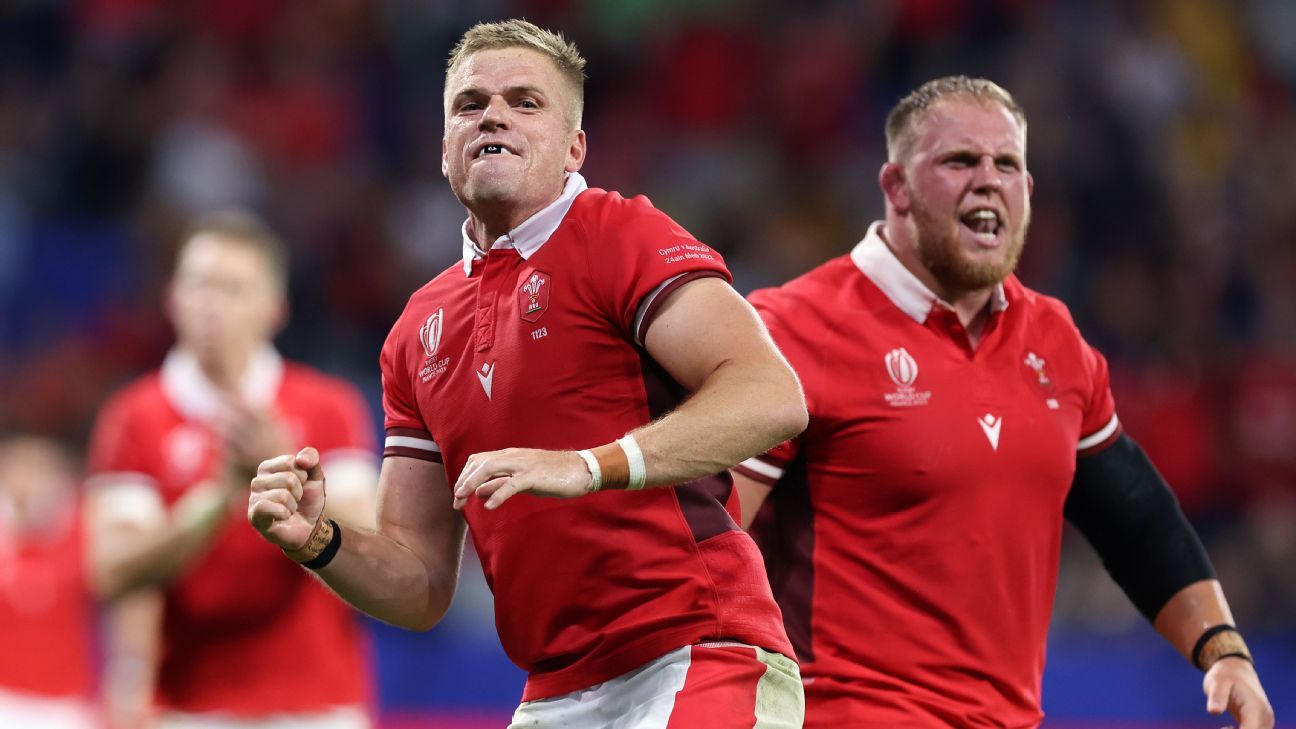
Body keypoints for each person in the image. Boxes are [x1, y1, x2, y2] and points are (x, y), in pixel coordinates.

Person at [247, 19, 807, 729]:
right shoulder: (417, 332)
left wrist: (592, 465)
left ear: (574, 148)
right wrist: (320, 540)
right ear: (444, 150)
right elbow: (418, 580)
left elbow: (771, 395)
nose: (493, 116)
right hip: (553, 689)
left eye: (525, 102)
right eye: (470, 104)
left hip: (700, 649)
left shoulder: (619, 233)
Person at [732, 76, 1275, 729]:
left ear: (1027, 193)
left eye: (1008, 164)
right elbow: (703, 537)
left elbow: (1135, 516)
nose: (989, 179)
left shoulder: (1054, 340)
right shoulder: (793, 329)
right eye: (960, 161)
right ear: (897, 187)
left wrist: (1224, 649)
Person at [85, 211, 379, 728]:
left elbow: (372, 541)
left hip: (317, 707)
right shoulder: (134, 416)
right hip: (188, 708)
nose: (211, 305)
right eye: (199, 284)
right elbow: (110, 570)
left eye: (233, 288)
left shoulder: (327, 408)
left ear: (275, 308)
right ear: (172, 297)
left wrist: (286, 477)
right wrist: (218, 499)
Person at [0, 436, 98, 729]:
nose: (26, 484)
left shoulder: (83, 526)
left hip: (66, 702)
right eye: (17, 472)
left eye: (37, 472)